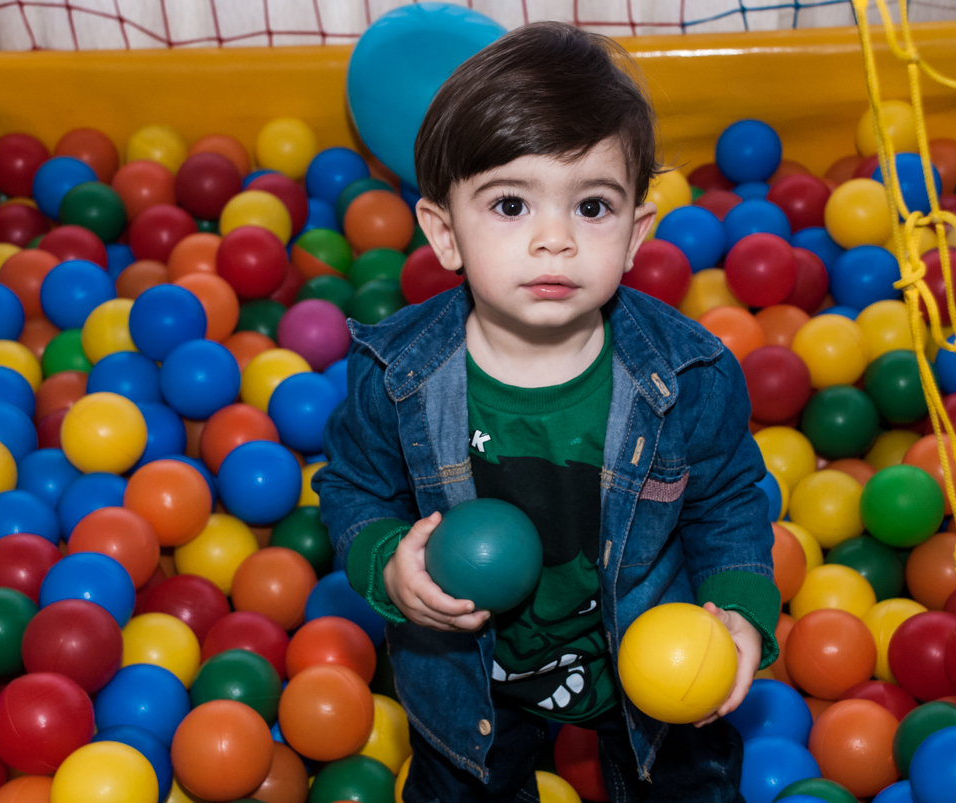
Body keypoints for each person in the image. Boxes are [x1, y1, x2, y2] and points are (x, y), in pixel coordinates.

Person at [313, 20, 779, 803]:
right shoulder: (396, 376)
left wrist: (737, 612)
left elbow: (727, 500)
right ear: (443, 231)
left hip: (654, 660)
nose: (554, 240)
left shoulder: (689, 375)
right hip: (468, 673)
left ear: (636, 234)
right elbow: (353, 487)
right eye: (509, 205)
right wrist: (392, 566)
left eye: (591, 207)